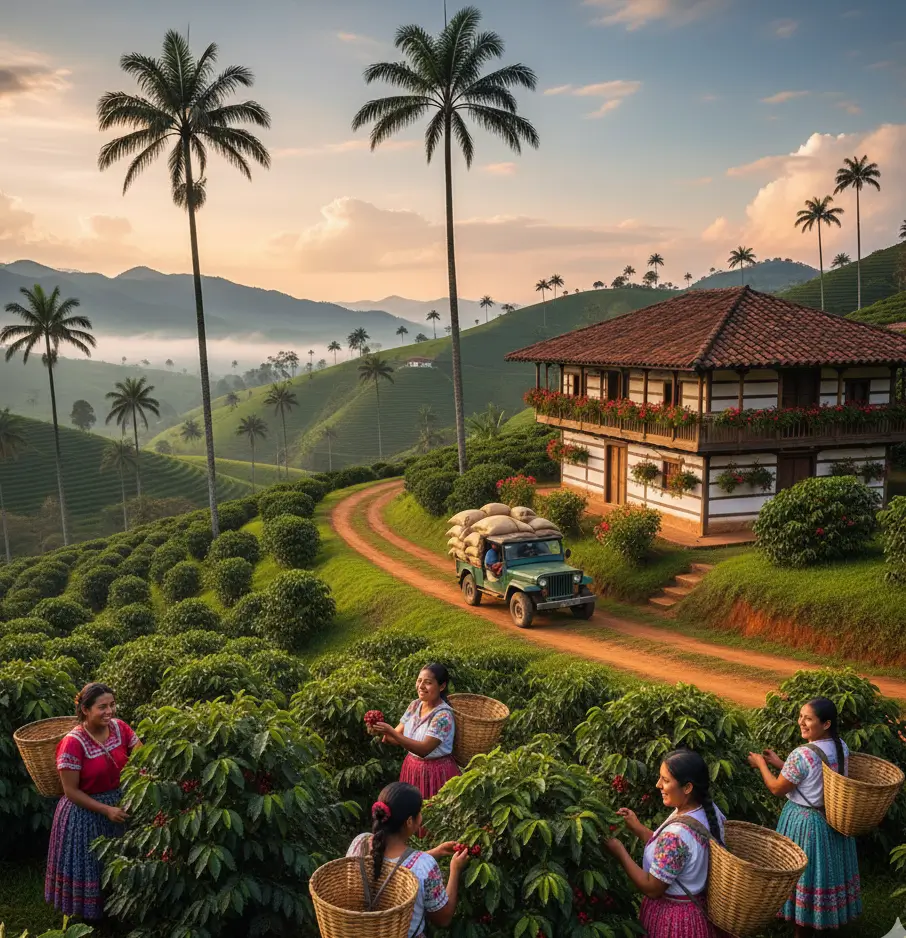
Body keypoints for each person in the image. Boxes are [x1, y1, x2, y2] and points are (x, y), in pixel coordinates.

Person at [748, 697, 861, 936]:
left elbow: (777, 788)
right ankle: (827, 921)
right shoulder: (840, 746)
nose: (801, 722)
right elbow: (814, 777)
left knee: (805, 876)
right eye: (801, 716)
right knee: (826, 874)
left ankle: (803, 928)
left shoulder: (801, 755)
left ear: (826, 724)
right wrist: (780, 763)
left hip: (806, 823)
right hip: (832, 818)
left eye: (808, 719)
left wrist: (761, 765)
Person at [604, 749, 726, 938]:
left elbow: (652, 888)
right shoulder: (708, 812)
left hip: (673, 921)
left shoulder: (676, 834)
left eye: (665, 780)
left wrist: (619, 851)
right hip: (696, 913)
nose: (658, 784)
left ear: (687, 787)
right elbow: (674, 854)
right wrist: (639, 829)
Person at [45, 681, 142, 920]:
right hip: (85, 812)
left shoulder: (120, 728)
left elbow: (142, 756)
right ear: (85, 710)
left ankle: (122, 907)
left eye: (112, 705)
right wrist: (106, 809)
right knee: (91, 863)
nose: (109, 711)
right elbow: (71, 791)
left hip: (120, 804)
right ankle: (92, 915)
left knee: (121, 859)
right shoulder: (73, 743)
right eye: (102, 707)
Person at [347, 782, 470, 937]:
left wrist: (436, 852)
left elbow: (393, 863)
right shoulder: (424, 865)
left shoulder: (360, 843)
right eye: (419, 812)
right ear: (410, 821)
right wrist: (455, 869)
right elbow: (443, 918)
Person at [373, 663, 461, 800]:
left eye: (428, 683)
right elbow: (395, 738)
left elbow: (424, 750)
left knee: (432, 810)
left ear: (442, 686)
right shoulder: (414, 705)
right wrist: (379, 730)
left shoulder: (443, 716)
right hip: (412, 768)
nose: (421, 686)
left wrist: (390, 731)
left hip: (436, 772)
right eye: (419, 681)